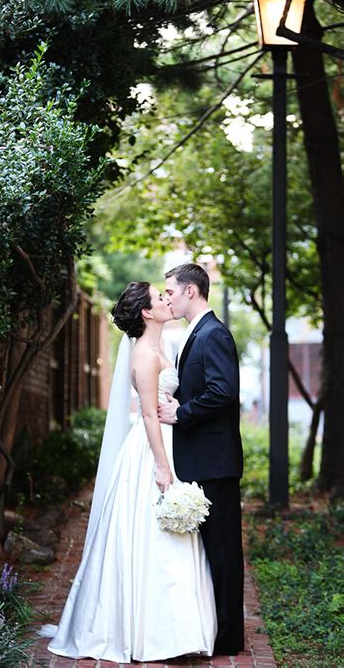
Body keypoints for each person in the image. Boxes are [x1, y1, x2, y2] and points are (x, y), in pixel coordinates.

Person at [44, 281, 217, 663]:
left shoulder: (160, 346)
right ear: (146, 312)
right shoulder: (143, 353)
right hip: (151, 448)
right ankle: (145, 632)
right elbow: (151, 415)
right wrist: (161, 464)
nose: (166, 300)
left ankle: (178, 629)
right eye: (160, 298)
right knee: (147, 531)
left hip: (170, 440)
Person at [158, 263, 244, 656]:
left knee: (223, 551)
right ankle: (212, 626)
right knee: (210, 551)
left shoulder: (214, 333)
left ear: (191, 291)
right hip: (201, 458)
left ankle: (228, 638)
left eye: (172, 291)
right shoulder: (195, 334)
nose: (168, 298)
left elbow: (223, 391)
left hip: (216, 461)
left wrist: (183, 412)